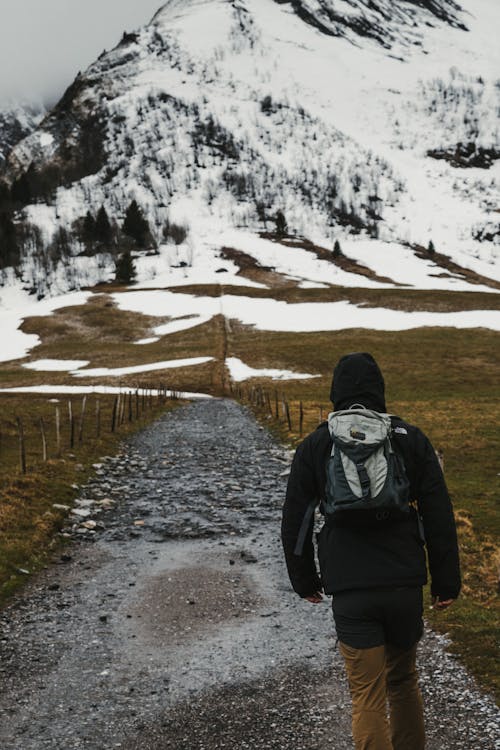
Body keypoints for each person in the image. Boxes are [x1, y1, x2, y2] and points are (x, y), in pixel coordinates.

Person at [281, 352, 461, 750]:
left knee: (367, 696)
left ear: (335, 391)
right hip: (402, 584)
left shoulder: (316, 443)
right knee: (403, 682)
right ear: (379, 389)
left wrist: (304, 580)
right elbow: (438, 516)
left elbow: (296, 521)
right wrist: (446, 583)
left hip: (350, 587)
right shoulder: (409, 439)